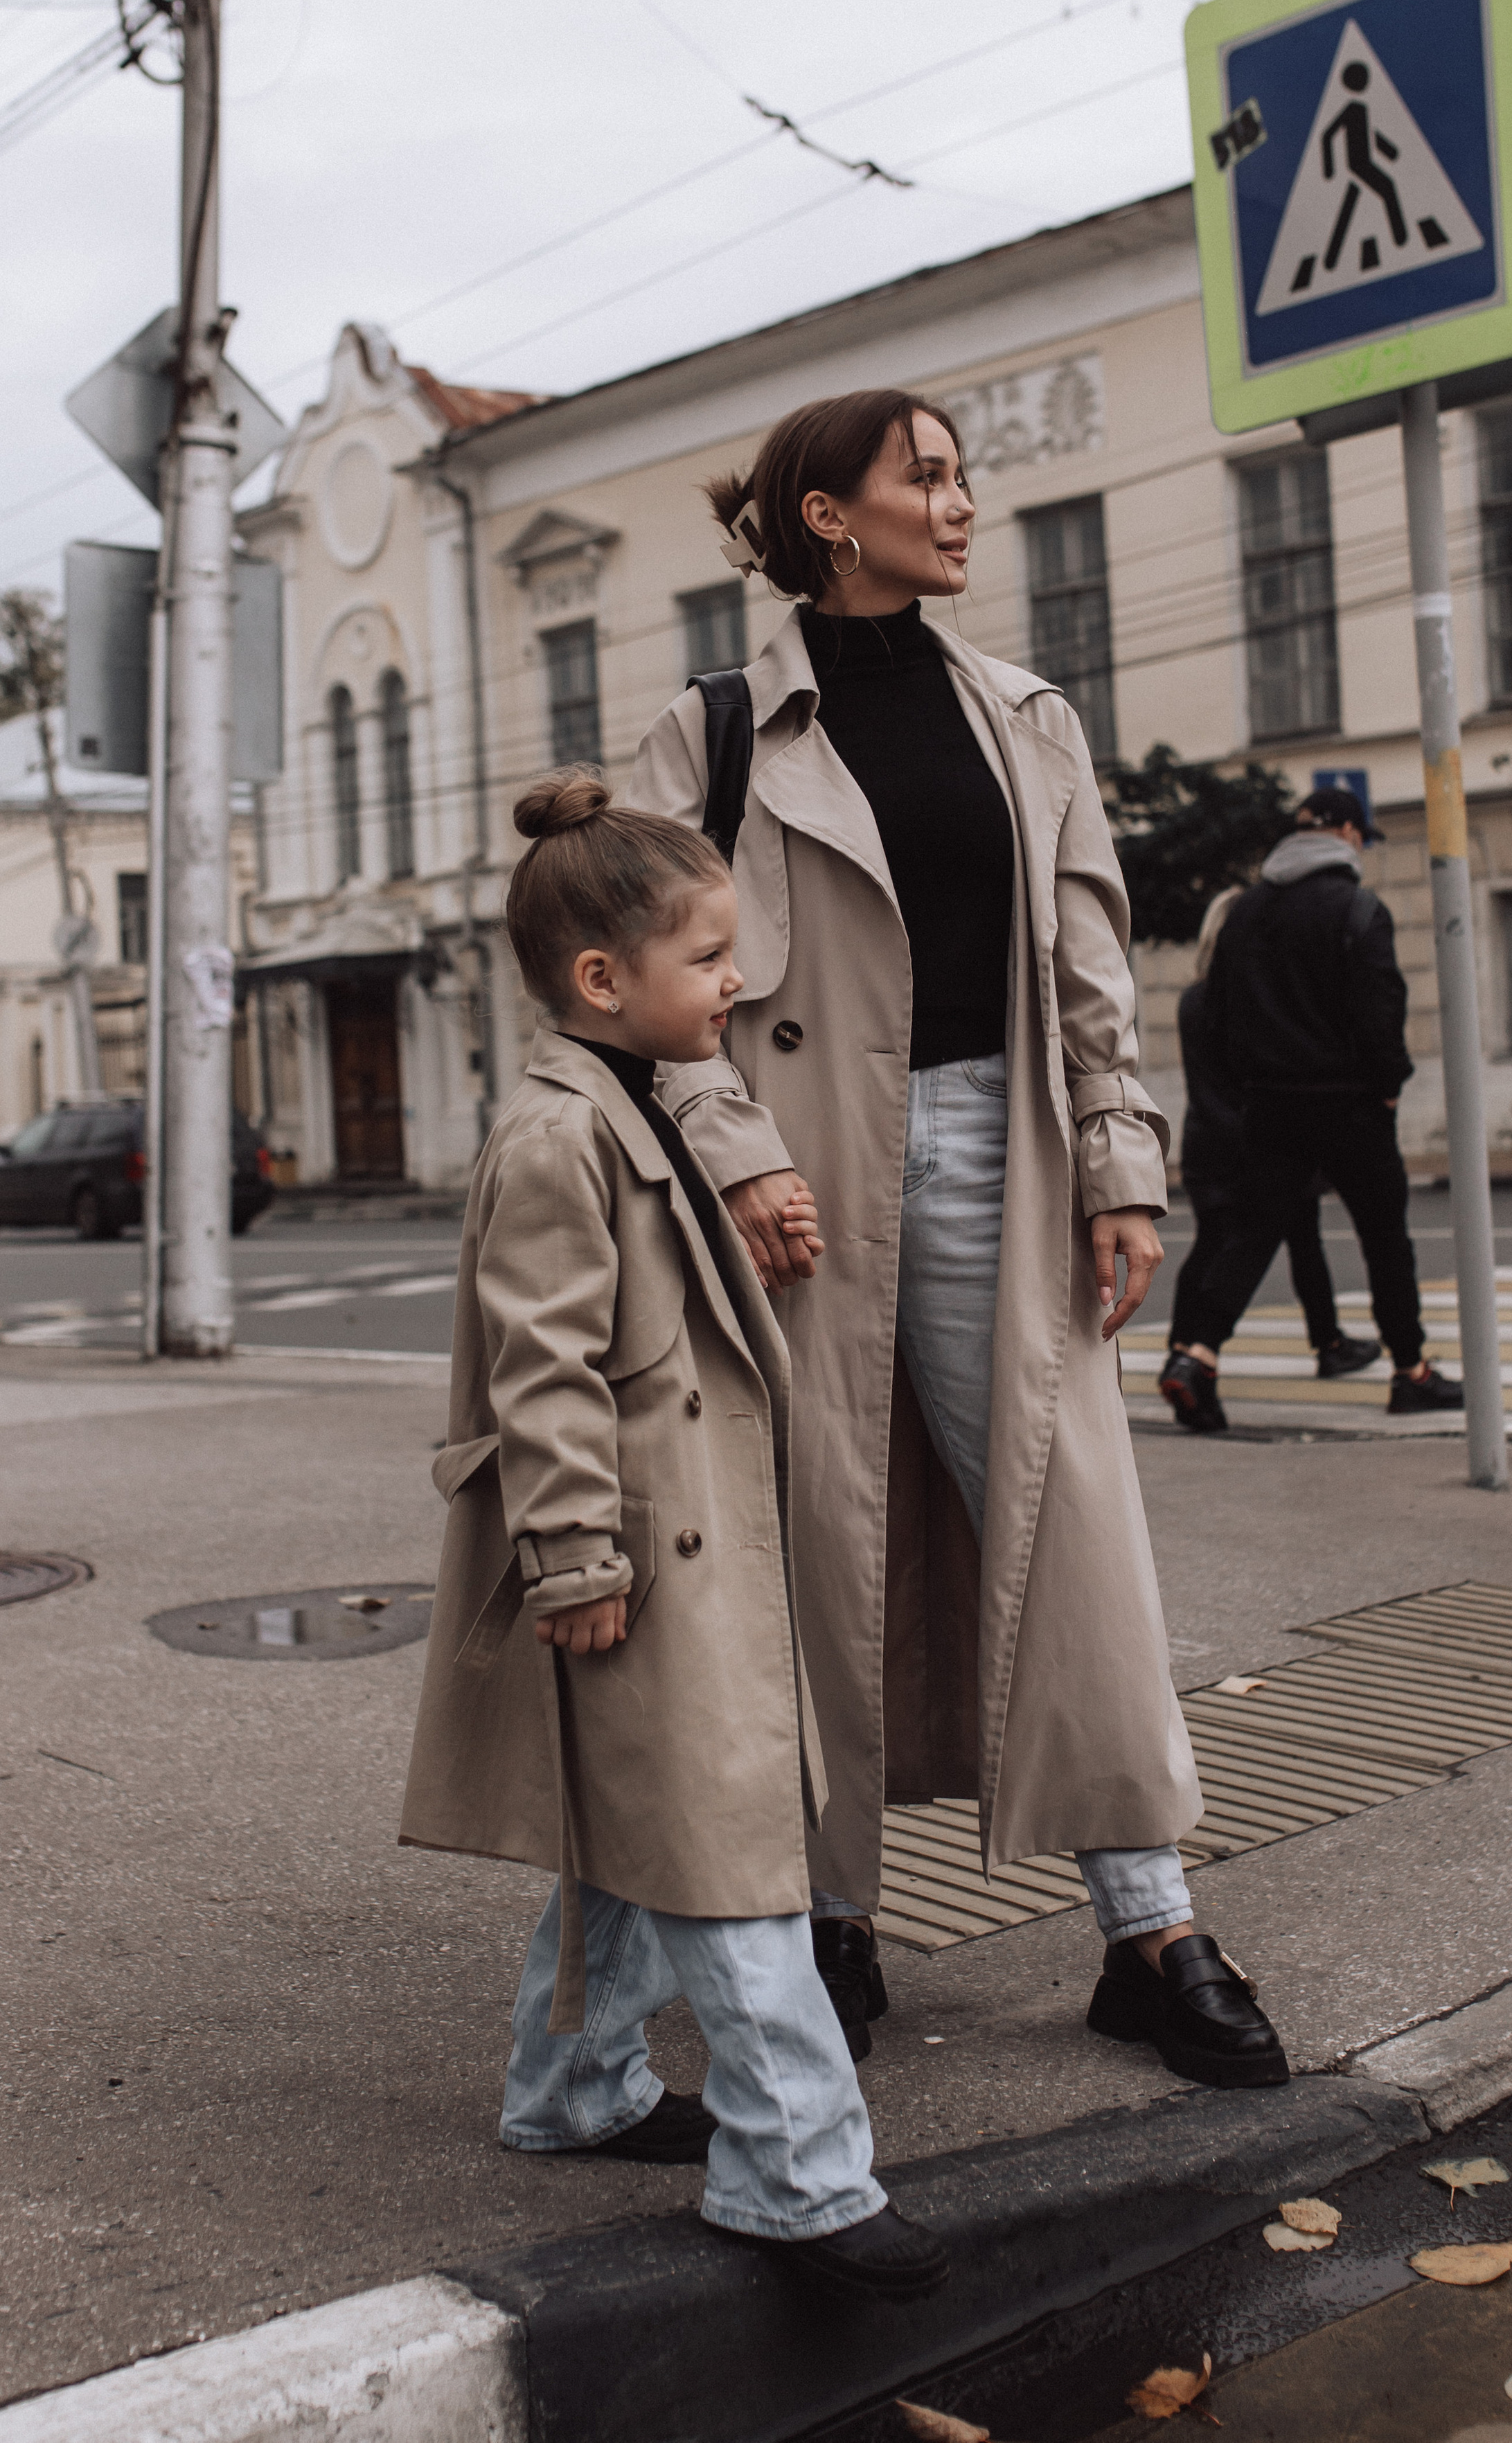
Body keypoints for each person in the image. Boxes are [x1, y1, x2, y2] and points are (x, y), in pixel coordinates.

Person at [627, 388, 1288, 2095]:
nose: (961, 500)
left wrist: (1121, 1160)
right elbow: (635, 991)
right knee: (816, 1539)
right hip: (797, 1167)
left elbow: (1087, 959)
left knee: (1064, 1523)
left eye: (956, 472)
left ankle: (1150, 1924)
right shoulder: (710, 732)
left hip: (1008, 1139)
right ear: (826, 516)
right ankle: (829, 1913)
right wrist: (734, 1150)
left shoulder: (1021, 713)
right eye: (924, 475)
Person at [398, 772, 948, 2302]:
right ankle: (802, 2183)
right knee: (731, 1871)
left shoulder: (643, 1102)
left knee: (642, 1842)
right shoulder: (555, 1141)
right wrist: (571, 1555)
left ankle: (569, 2092)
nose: (733, 981)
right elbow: (540, 1369)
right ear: (602, 981)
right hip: (633, 1558)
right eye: (707, 959)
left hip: (688, 1549)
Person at [1161, 788, 1464, 1434]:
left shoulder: (1244, 914)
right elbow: (1380, 1009)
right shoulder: (1357, 909)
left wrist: (1254, 1086)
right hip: (1350, 1104)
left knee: (1250, 1236)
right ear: (1350, 834)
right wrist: (1389, 1083)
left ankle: (1195, 1358)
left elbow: (1220, 1016)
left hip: (1271, 1107)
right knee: (1384, 1239)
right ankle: (1411, 1374)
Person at [1161, 886, 1381, 1434]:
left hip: (1205, 1140)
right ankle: (1307, 1344)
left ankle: (1185, 1351)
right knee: (1286, 1241)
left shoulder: (1192, 999)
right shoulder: (1246, 1000)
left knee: (1220, 1245)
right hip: (1259, 1139)